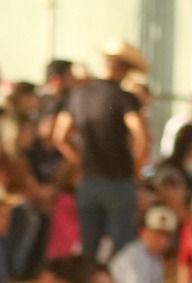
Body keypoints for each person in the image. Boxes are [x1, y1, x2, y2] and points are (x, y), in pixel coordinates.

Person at [52, 40, 151, 260]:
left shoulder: (78, 95)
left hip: (89, 182)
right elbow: (141, 137)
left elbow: (60, 137)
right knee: (122, 249)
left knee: (89, 247)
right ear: (124, 68)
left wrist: (80, 161)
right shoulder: (125, 98)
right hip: (119, 181)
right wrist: (136, 170)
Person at [110, 205, 176, 283]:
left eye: (167, 236)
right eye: (157, 234)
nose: (163, 241)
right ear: (143, 232)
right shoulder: (131, 257)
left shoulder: (157, 259)